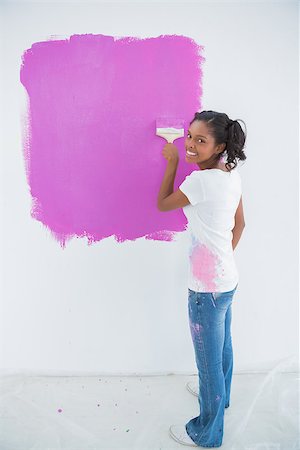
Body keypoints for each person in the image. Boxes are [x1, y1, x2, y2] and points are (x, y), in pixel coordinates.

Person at [157, 110, 247, 447]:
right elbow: (241, 225)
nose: (191, 145)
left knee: (207, 363)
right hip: (227, 280)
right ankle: (221, 396)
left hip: (205, 290)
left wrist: (171, 162)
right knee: (223, 346)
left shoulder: (198, 181)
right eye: (190, 137)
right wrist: (221, 261)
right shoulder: (230, 175)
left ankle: (205, 434)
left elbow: (164, 203)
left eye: (201, 140)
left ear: (219, 145)